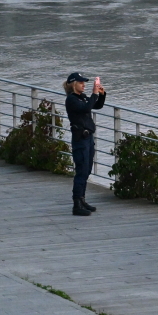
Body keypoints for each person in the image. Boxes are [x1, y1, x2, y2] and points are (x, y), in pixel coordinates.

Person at [62, 72, 107, 217]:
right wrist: (94, 93)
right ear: (74, 84)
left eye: (84, 83)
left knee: (87, 170)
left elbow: (96, 105)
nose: (84, 85)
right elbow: (86, 109)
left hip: (88, 138)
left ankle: (82, 199)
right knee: (81, 170)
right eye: (81, 83)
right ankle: (77, 204)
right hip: (80, 139)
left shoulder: (82, 97)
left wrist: (101, 94)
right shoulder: (71, 99)